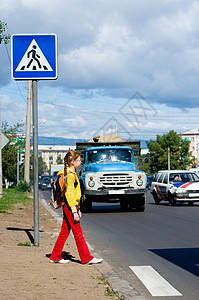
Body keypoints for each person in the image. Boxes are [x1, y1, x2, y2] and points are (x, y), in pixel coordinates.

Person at [49, 150, 103, 264]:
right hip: (70, 207)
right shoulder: (69, 175)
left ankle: (55, 256)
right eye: (78, 160)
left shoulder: (69, 174)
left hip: (69, 206)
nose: (80, 162)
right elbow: (70, 194)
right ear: (72, 162)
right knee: (78, 233)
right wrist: (74, 210)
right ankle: (86, 258)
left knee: (64, 232)